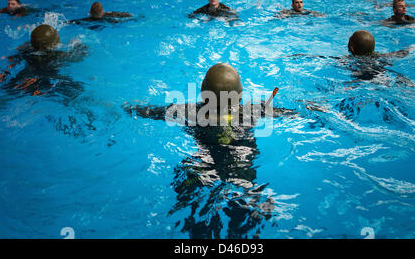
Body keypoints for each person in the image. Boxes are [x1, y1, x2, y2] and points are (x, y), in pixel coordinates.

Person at [124, 63, 296, 238]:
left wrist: (129, 107)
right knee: (246, 203)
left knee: (188, 191)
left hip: (203, 164)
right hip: (240, 165)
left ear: (202, 93)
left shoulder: (188, 111)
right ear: (241, 95)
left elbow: (147, 112)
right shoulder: (253, 110)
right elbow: (293, 113)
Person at [0, 24, 87, 98]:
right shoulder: (59, 55)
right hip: (51, 81)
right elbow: (80, 56)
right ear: (56, 42)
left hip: (25, 79)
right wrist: (78, 44)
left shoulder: (25, 52)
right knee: (80, 92)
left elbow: (12, 60)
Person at [68, 2, 132, 29]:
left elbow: (74, 21)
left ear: (90, 12)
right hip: (106, 24)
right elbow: (127, 15)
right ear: (103, 11)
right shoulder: (110, 14)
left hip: (93, 26)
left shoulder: (87, 19)